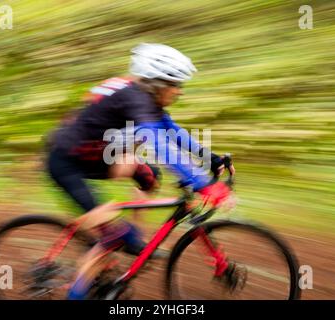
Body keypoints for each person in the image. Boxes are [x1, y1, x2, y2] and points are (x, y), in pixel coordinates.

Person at [46, 43, 235, 299]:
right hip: (66, 162)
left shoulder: (145, 97)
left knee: (148, 175)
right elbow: (157, 142)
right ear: (158, 83)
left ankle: (135, 243)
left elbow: (172, 131)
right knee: (114, 236)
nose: (179, 92)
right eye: (176, 85)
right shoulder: (135, 100)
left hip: (96, 154)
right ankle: (94, 268)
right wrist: (202, 184)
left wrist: (209, 158)